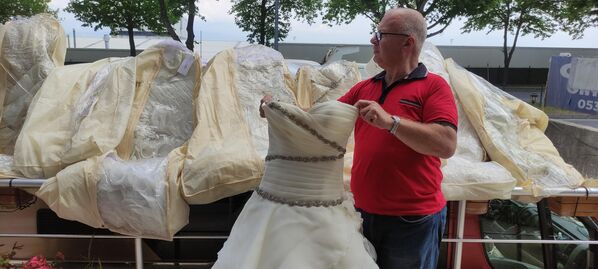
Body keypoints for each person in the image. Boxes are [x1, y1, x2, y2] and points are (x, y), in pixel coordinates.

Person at [337, 8, 458, 269]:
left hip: (411, 222)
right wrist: (277, 110)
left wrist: (391, 123)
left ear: (408, 42)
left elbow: (446, 144)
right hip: (363, 214)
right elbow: (323, 117)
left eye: (380, 34)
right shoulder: (365, 87)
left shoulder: (434, 86)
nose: (372, 40)